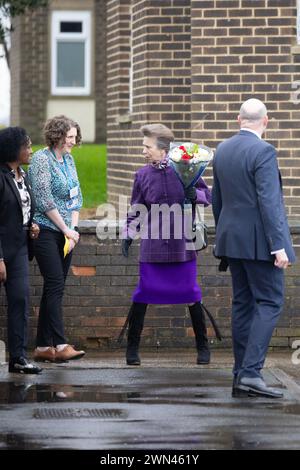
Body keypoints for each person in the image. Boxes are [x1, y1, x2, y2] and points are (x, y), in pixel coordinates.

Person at [212, 98, 296, 399]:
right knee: (271, 302)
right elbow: (269, 202)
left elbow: (217, 199)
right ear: (267, 121)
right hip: (260, 243)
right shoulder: (264, 151)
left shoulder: (222, 150)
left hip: (232, 240)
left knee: (243, 304)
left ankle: (240, 374)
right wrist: (279, 246)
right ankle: (250, 372)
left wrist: (224, 234)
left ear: (239, 119)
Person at [121, 123, 212, 366]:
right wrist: (128, 233)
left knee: (191, 293)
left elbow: (207, 197)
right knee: (143, 294)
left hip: (183, 244)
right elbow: (137, 208)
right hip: (153, 246)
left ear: (163, 149)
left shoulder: (186, 169)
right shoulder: (141, 175)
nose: (144, 151)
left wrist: (196, 196)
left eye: (147, 147)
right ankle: (132, 349)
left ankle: (203, 347)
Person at [28, 115, 85, 363]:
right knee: (54, 284)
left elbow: (76, 197)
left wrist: (73, 230)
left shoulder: (69, 160)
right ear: (57, 135)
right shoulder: (42, 159)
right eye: (69, 136)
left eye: (75, 136)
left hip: (66, 234)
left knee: (55, 287)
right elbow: (43, 198)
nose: (73, 141)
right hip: (45, 230)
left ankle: (42, 347)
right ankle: (60, 345)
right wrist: (65, 229)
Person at [0, 126, 42, 374]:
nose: (30, 150)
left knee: (20, 301)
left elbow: (21, 209)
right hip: (2, 250)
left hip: (19, 248)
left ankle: (18, 358)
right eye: (27, 146)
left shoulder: (22, 176)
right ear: (13, 149)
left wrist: (31, 225)